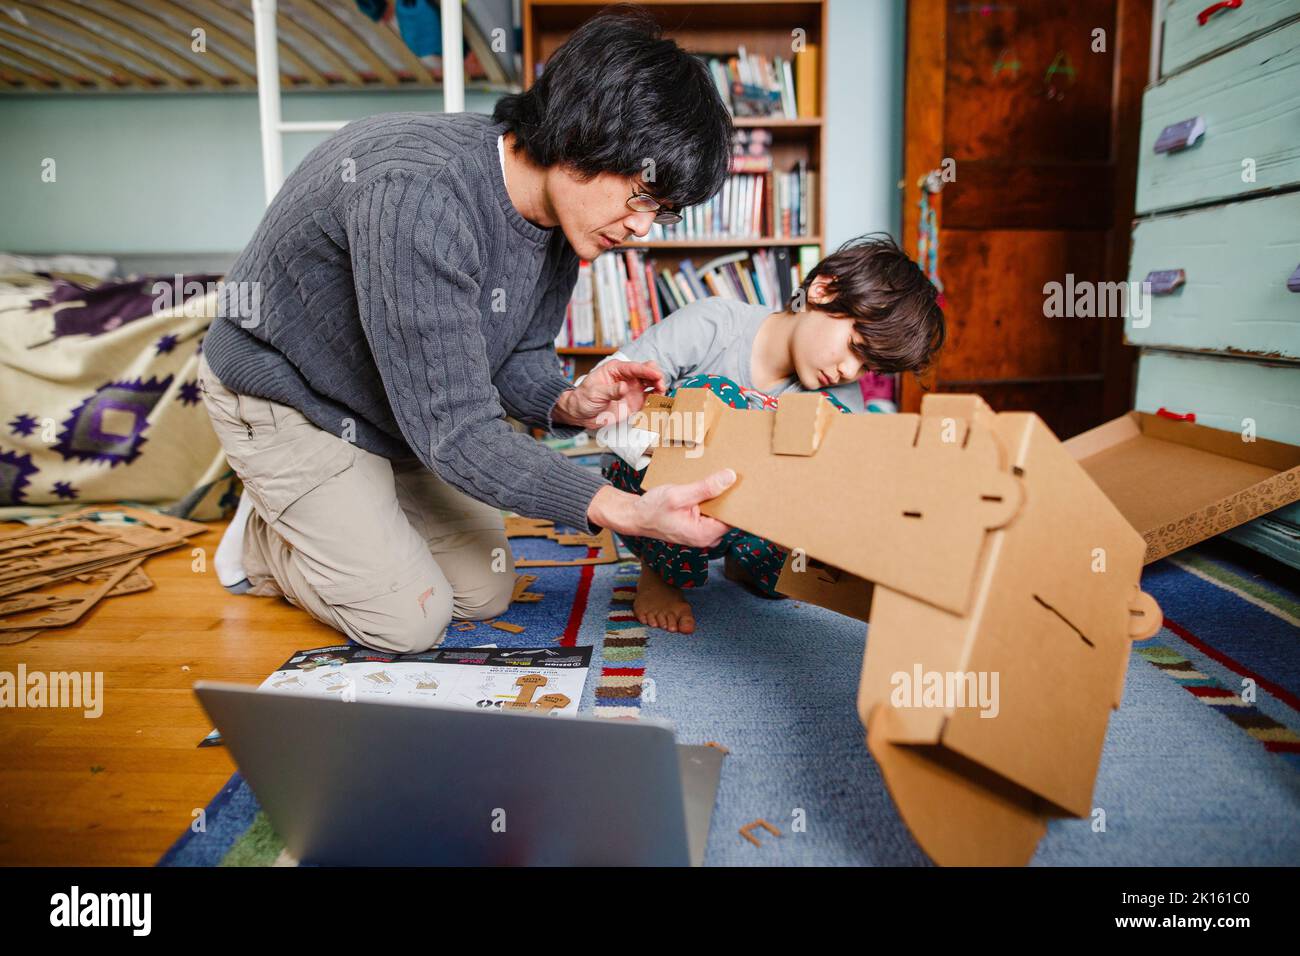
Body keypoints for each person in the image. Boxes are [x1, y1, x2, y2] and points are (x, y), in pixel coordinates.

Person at [198, 7, 737, 653]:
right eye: (642, 197)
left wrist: (567, 401)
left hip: (393, 413)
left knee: (485, 591)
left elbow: (517, 354)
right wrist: (625, 511)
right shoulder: (417, 191)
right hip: (288, 397)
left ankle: (346, 515)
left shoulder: (566, 218)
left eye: (661, 212)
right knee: (408, 623)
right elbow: (455, 430)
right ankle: (264, 539)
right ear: (588, 135)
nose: (643, 228)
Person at [591, 234, 946, 633]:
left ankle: (744, 561)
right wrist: (668, 447)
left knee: (801, 552)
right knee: (710, 394)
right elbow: (605, 400)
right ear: (823, 290)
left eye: (867, 368)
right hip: (654, 489)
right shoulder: (714, 322)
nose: (850, 370)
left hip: (749, 510)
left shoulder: (840, 395)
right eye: (854, 346)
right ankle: (659, 574)